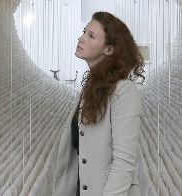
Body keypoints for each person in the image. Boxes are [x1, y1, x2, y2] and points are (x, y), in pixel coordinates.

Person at [53, 11, 145, 196]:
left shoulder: (123, 91)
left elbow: (124, 160)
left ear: (109, 49)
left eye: (91, 36)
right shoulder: (92, 88)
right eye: (84, 32)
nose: (81, 38)